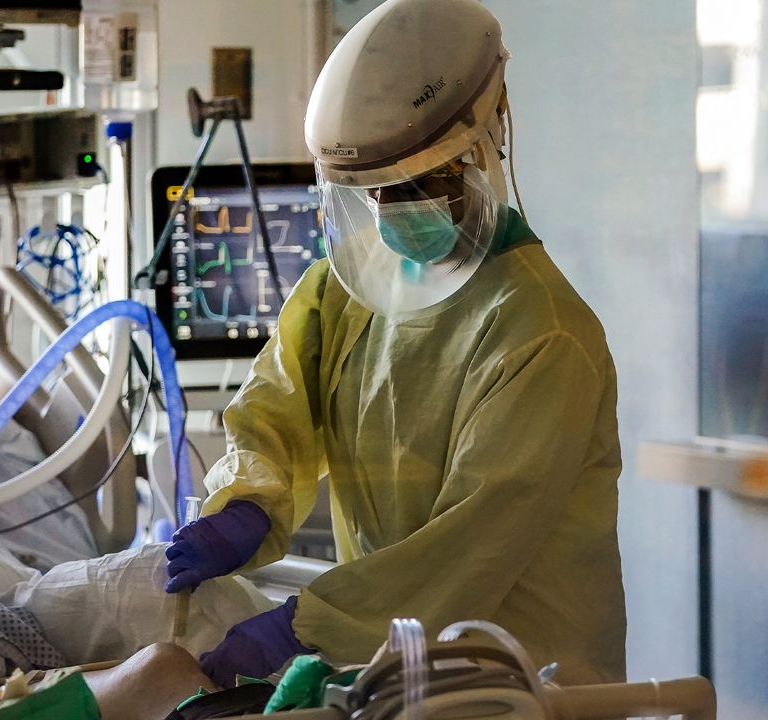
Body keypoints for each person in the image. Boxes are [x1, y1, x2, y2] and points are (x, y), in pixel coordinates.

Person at [166, 0, 625, 687]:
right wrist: (249, 502)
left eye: (422, 181)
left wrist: (309, 627)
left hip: (525, 679)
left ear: (483, 145)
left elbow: (468, 546)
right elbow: (276, 405)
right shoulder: (348, 285)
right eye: (373, 191)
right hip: (390, 664)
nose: (394, 207)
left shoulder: (542, 333)